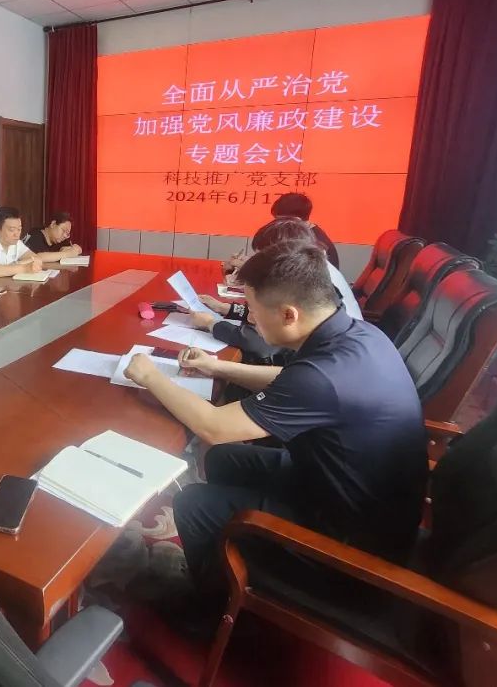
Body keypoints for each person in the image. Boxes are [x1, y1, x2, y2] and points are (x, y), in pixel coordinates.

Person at [124, 243, 425, 605]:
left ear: (288, 315)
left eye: (252, 309)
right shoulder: (357, 335)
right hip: (344, 494)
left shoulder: (323, 378)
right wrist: (217, 367)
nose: (249, 318)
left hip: (350, 550)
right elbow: (291, 379)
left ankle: (207, 608)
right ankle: (221, 559)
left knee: (193, 502)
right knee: (224, 459)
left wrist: (151, 376)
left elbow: (214, 427)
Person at [190, 218, 362, 367]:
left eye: (263, 257)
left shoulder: (306, 283)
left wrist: (212, 324)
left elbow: (259, 342)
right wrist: (226, 308)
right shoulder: (312, 270)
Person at [247, 192, 339, 269]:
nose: (276, 225)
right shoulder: (307, 235)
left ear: (294, 219)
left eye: (279, 220)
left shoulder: (312, 244)